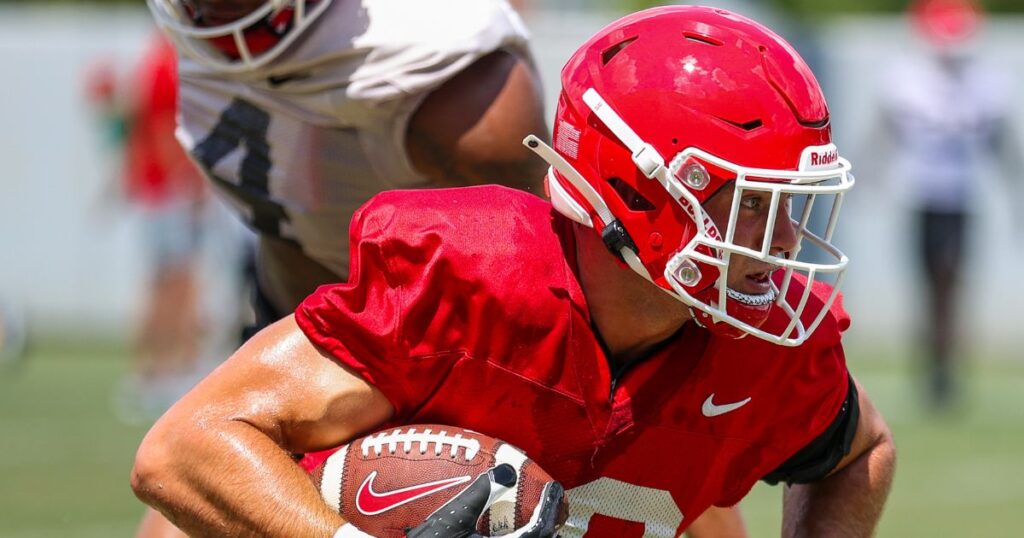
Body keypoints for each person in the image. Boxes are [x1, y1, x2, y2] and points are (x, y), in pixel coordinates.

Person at [132, 6, 895, 537]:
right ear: (642, 189)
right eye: (750, 205)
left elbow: (861, 452)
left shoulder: (766, 343)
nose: (785, 240)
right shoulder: (471, 276)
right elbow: (182, 451)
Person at [868, 0, 1022, 411]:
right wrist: (866, 176)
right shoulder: (905, 79)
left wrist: (1015, 193)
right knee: (928, 285)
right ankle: (933, 369)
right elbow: (884, 135)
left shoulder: (987, 85)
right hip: (919, 196)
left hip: (961, 199)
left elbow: (1003, 146)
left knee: (950, 283)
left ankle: (946, 372)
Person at [87, 33, 213, 423]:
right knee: (171, 282)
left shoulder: (157, 58)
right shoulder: (167, 61)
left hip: (158, 190)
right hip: (166, 192)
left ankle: (164, 369)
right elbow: (164, 128)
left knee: (171, 281)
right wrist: (186, 181)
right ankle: (154, 372)